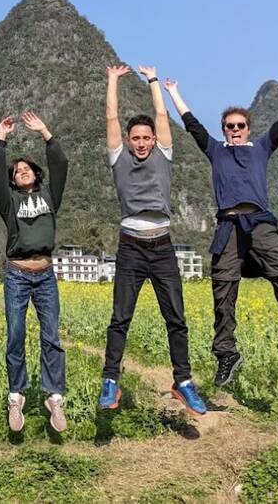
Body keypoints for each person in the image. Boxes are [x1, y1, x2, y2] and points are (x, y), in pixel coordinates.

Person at [163, 68, 278, 387]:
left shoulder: (261, 148)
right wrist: (172, 92)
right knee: (222, 293)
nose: (235, 129)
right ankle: (226, 354)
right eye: (230, 126)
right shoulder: (216, 151)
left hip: (261, 224)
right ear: (224, 130)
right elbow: (191, 125)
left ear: (248, 129)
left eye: (240, 125)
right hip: (228, 227)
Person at [100, 65, 206, 415]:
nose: (143, 143)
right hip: (130, 246)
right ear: (129, 141)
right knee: (120, 318)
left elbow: (162, 113)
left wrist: (153, 82)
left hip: (162, 247)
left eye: (147, 137)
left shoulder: (163, 155)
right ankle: (110, 381)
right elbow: (112, 117)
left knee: (176, 318)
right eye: (137, 138)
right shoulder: (119, 159)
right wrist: (113, 80)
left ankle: (183, 381)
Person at [0, 112, 69, 433]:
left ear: (36, 174)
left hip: (46, 274)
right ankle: (16, 396)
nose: (21, 172)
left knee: (51, 337)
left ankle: (54, 398)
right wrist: (1, 139)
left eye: (26, 169)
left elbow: (61, 164)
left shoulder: (50, 197)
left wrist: (45, 133)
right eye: (16, 170)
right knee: (16, 335)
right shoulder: (9, 203)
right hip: (17, 274)